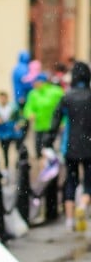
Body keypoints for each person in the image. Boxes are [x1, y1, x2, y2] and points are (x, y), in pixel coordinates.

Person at [48, 61, 91, 230]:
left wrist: (48, 141)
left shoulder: (67, 97)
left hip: (70, 146)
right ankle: (82, 206)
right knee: (88, 182)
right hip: (89, 147)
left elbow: (55, 121)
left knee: (70, 181)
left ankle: (69, 220)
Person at [0, 90, 25, 170]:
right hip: (2, 132)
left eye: (4, 98)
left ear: (7, 98)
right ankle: (6, 166)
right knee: (5, 150)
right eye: (1, 98)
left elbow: (22, 119)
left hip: (13, 131)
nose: (2, 100)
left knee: (18, 148)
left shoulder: (14, 108)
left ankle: (18, 164)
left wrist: (19, 124)